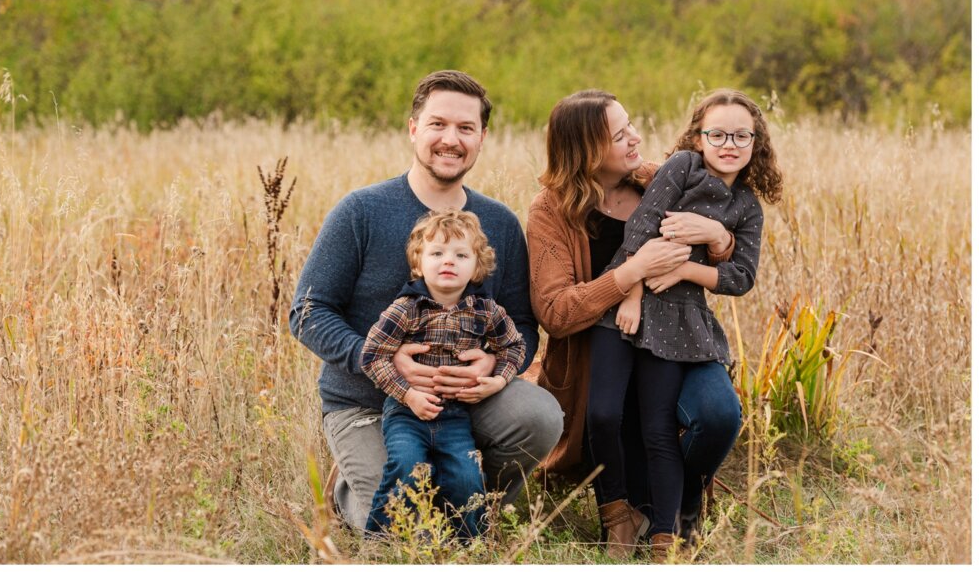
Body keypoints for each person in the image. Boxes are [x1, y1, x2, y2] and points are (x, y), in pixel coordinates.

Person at [291, 70, 562, 533]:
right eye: (437, 124)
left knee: (539, 416)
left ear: (482, 137)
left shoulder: (497, 222)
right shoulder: (362, 211)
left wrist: (496, 370)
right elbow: (308, 312)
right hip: (366, 402)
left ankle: (472, 508)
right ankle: (351, 493)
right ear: (414, 128)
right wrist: (379, 357)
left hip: (464, 403)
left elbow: (521, 323)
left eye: (465, 128)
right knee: (399, 526)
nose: (450, 140)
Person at [524, 89, 741, 559]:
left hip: (677, 338)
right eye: (620, 134)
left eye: (631, 125)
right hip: (602, 349)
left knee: (719, 415)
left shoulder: (656, 180)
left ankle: (684, 510)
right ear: (585, 151)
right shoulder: (551, 211)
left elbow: (725, 237)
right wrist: (631, 272)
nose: (636, 138)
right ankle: (622, 513)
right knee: (610, 417)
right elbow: (556, 312)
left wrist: (720, 237)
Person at [591, 88, 783, 559]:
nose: (729, 143)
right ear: (698, 138)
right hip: (628, 299)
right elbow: (641, 227)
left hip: (679, 320)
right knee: (605, 414)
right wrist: (632, 293)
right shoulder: (680, 167)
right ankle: (619, 513)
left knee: (660, 426)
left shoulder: (747, 208)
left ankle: (667, 533)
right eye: (716, 133)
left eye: (742, 135)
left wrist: (688, 266)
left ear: (757, 143)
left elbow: (740, 278)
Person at [362, 209, 525, 538]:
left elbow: (514, 347)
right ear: (419, 263)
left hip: (455, 415)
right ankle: (380, 544)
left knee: (466, 477)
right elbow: (372, 354)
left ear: (477, 267)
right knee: (407, 467)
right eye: (437, 253)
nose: (448, 261)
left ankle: (469, 548)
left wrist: (498, 377)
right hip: (407, 411)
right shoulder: (406, 309)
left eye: (461, 254)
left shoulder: (485, 310)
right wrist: (407, 393)